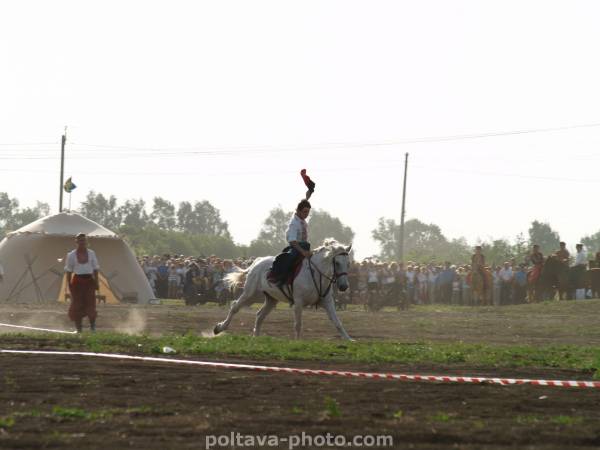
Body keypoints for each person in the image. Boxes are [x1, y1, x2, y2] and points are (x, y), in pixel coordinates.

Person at [269, 199, 312, 287]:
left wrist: (308, 196)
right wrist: (303, 252)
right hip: (296, 248)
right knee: (289, 258)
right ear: (299, 211)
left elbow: (302, 203)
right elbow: (292, 242)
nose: (307, 214)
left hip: (305, 247)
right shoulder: (294, 223)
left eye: (308, 212)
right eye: (305, 212)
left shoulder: (301, 218)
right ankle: (280, 278)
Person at [64, 233, 100, 333]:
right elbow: (68, 271)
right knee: (77, 305)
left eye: (84, 240)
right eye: (80, 241)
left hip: (89, 281)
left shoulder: (92, 253)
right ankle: (79, 329)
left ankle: (93, 328)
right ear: (76, 242)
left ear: (87, 242)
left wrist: (97, 282)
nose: (82, 242)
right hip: (77, 282)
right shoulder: (71, 255)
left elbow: (96, 269)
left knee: (91, 304)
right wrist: (69, 284)